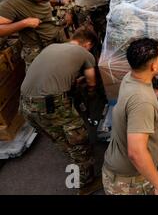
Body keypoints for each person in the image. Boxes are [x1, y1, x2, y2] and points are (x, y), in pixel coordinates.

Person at [102, 35, 158, 195]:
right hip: (129, 182)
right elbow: (136, 152)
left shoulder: (130, 77)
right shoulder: (142, 102)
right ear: (153, 67)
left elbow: (156, 62)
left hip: (119, 168)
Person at [20, 28, 101, 195]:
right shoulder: (84, 53)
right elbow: (91, 82)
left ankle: (73, 158)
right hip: (52, 105)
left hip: (26, 104)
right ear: (88, 44)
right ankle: (86, 184)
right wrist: (92, 95)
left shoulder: (52, 47)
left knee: (60, 137)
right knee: (79, 141)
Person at [0, 0, 69, 69]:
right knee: (39, 78)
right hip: (37, 48)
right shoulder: (11, 3)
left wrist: (59, 2)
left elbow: (46, 1)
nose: (44, 2)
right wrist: (25, 23)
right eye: (42, 0)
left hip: (55, 39)